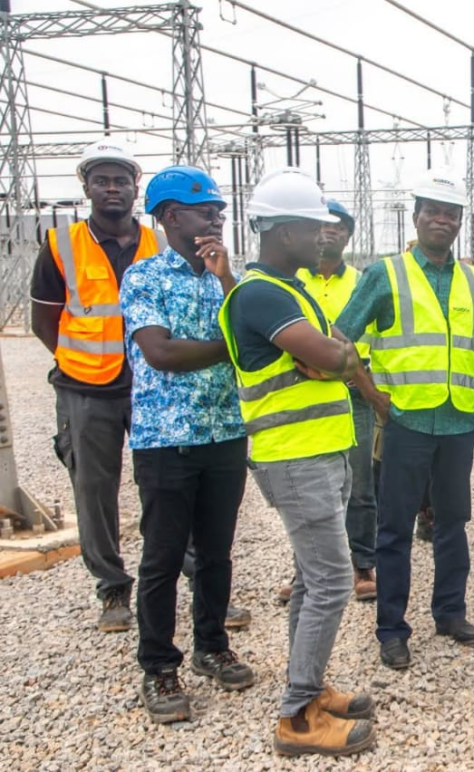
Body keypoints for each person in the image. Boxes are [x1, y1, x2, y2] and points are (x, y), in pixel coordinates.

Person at [219, 168, 374, 757]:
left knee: (314, 580)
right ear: (284, 232)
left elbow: (341, 356)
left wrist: (336, 356)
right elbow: (336, 356)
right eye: (315, 227)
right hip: (293, 456)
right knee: (334, 581)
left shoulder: (293, 290)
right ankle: (298, 718)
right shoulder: (261, 294)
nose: (325, 237)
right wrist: (334, 356)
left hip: (318, 451)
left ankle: (307, 686)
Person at [335, 169, 474, 671]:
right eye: (432, 210)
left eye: (451, 213)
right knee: (394, 529)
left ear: (459, 223)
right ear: (417, 216)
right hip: (405, 422)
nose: (442, 220)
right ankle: (392, 629)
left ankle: (450, 612)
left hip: (456, 422)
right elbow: (342, 336)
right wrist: (370, 394)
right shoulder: (384, 274)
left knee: (453, 523)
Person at [119, 165, 254, 723]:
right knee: (163, 556)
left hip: (224, 433)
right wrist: (230, 343)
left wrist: (225, 280)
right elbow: (163, 353)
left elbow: (250, 327)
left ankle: (211, 646)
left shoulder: (226, 276)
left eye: (220, 212)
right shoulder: (144, 278)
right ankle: (158, 666)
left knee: (217, 554)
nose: (216, 220)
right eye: (206, 212)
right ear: (171, 217)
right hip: (166, 441)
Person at [29, 141, 163, 632]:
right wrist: (77, 361)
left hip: (150, 385)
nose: (112, 189)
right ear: (86, 187)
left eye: (120, 180)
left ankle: (180, 573)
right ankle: (111, 588)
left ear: (135, 188)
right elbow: (44, 320)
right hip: (85, 388)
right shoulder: (61, 244)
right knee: (94, 488)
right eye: (102, 180)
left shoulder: (158, 244)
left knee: (164, 482)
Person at [283, 199, 378, 603]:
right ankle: (305, 569)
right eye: (323, 225)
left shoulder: (362, 281)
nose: (330, 232)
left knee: (358, 485)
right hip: (303, 395)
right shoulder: (289, 280)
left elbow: (369, 336)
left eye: (339, 226)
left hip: (353, 393)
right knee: (307, 487)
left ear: (348, 235)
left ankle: (362, 564)